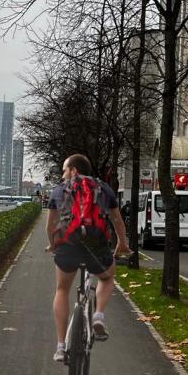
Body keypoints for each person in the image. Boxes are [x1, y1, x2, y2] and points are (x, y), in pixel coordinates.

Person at [45, 153, 130, 362]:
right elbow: (117, 220)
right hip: (96, 246)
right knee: (107, 277)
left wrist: (52, 244)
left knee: (62, 289)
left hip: (68, 246)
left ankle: (60, 346)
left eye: (65, 170)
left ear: (73, 170)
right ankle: (99, 316)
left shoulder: (59, 190)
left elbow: (51, 226)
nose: (63, 174)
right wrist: (122, 243)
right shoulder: (103, 188)